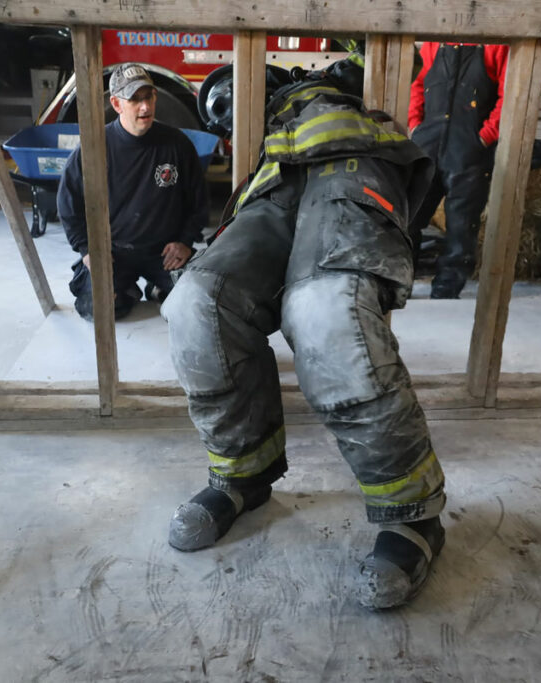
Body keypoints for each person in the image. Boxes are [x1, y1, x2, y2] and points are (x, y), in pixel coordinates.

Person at [161, 56, 447, 610]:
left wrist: (347, 74)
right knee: (197, 302)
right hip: (276, 181)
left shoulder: (346, 86)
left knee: (325, 307)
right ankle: (243, 476)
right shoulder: (268, 118)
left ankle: (415, 514)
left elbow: (403, 61)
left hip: (353, 167)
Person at [57, 63, 209, 320]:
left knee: (198, 304)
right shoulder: (95, 147)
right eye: (135, 100)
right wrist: (88, 251)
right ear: (116, 104)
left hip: (164, 254)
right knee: (97, 309)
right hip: (113, 253)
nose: (145, 107)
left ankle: (158, 287)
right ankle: (126, 290)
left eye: (148, 97)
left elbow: (199, 201)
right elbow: (68, 204)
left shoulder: (177, 144)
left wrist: (185, 241)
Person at [407, 43, 509, 299]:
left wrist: (485, 137)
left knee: (461, 227)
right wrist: (415, 126)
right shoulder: (433, 44)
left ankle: (446, 292)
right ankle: (399, 283)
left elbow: (510, 96)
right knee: (408, 218)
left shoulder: (497, 46)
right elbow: (418, 85)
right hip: (428, 143)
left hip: (468, 150)